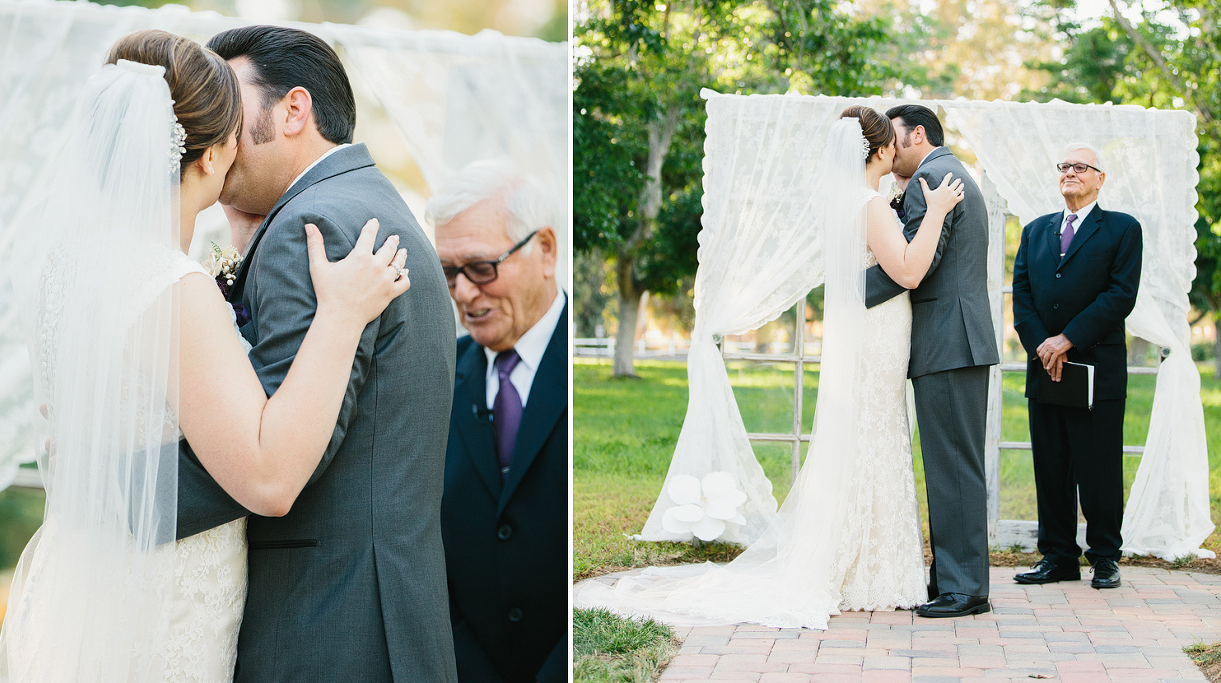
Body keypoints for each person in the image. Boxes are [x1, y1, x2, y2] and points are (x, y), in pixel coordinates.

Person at [0, 30, 410, 682]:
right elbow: (268, 479)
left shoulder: (64, 270)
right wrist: (342, 314)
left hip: (81, 576)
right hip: (160, 609)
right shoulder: (170, 287)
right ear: (215, 155)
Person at [577, 106, 964, 629]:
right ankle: (870, 569)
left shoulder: (851, 202)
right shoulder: (871, 204)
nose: (897, 149)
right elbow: (911, 271)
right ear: (877, 151)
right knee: (875, 433)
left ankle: (869, 564)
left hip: (869, 333)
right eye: (890, 142)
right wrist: (937, 210)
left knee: (868, 435)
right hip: (877, 337)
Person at [173, 25, 459, 682]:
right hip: (376, 609)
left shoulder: (316, 227)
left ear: (293, 109)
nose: (208, 126)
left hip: (327, 623)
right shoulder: (364, 205)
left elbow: (273, 446)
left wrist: (107, 498)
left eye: (225, 101)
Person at [426, 161, 568, 683]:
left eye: (482, 267)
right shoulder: (436, 376)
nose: (463, 293)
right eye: (448, 272)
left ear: (545, 251)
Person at [865, 103, 1001, 618]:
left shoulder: (935, 176)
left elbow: (914, 267)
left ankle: (964, 590)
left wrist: (848, 286)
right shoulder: (943, 172)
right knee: (951, 464)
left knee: (954, 467)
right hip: (953, 340)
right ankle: (952, 577)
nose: (888, 148)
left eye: (895, 138)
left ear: (917, 133)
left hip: (950, 340)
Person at [1011, 145, 1142, 591]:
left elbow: (1120, 296)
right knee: (1051, 466)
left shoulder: (1123, 230)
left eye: (1079, 167)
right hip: (1046, 367)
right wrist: (1045, 347)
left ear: (1100, 178)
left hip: (1096, 369)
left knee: (1099, 467)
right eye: (1064, 166)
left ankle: (1105, 557)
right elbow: (1022, 297)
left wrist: (1067, 339)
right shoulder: (1034, 231)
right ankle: (1058, 557)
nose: (1069, 172)